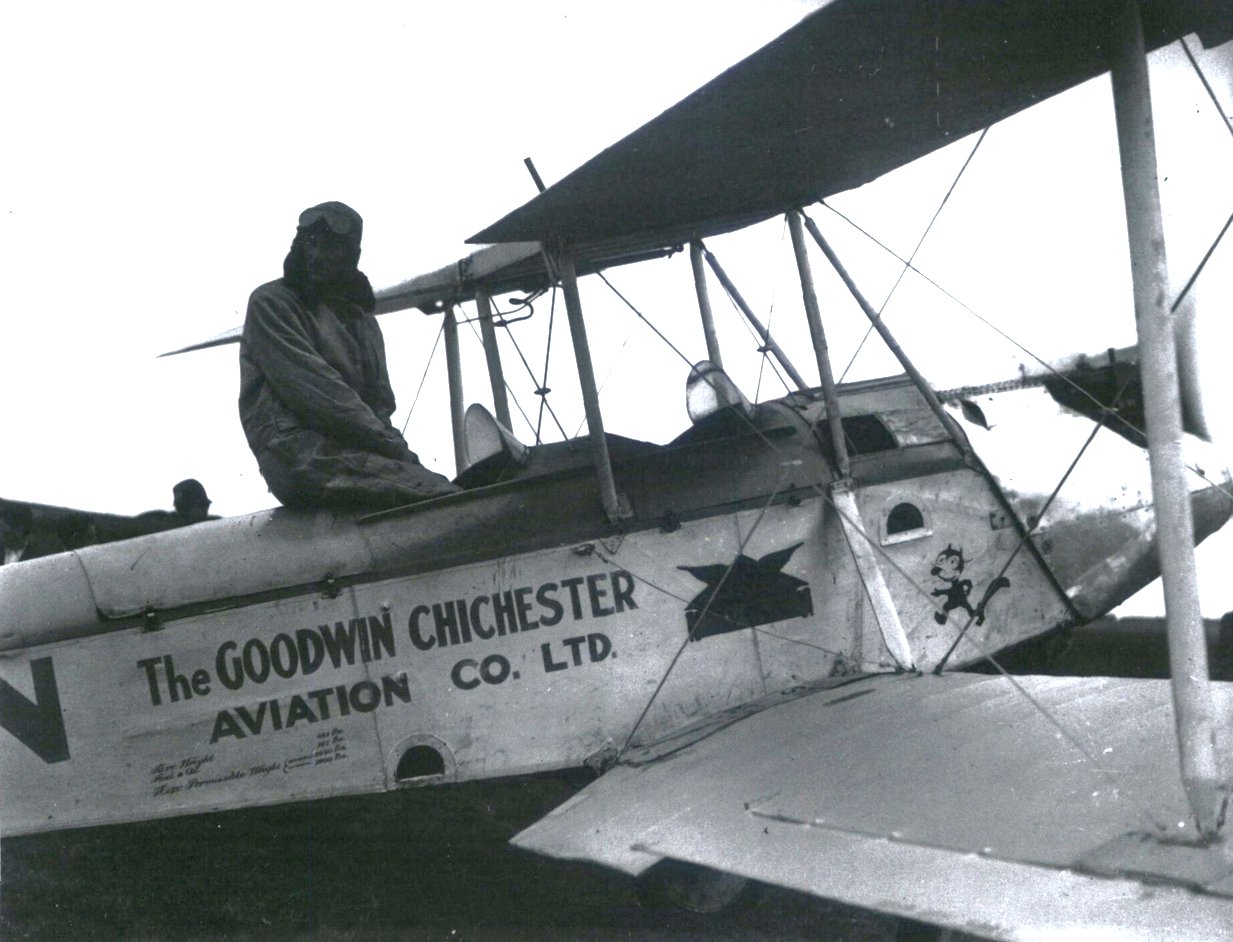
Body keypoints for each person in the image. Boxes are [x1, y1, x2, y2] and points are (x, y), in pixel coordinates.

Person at [239, 201, 460, 510]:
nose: (316, 255)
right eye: (311, 244)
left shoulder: (362, 320)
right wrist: (395, 451)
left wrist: (405, 456)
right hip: (299, 454)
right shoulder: (272, 303)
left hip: (354, 451)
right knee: (445, 499)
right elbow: (319, 394)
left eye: (330, 247)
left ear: (352, 255)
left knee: (442, 488)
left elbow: (380, 405)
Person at [132, 478, 219, 535]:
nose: (204, 510)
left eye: (204, 506)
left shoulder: (215, 525)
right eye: (200, 506)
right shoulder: (165, 524)